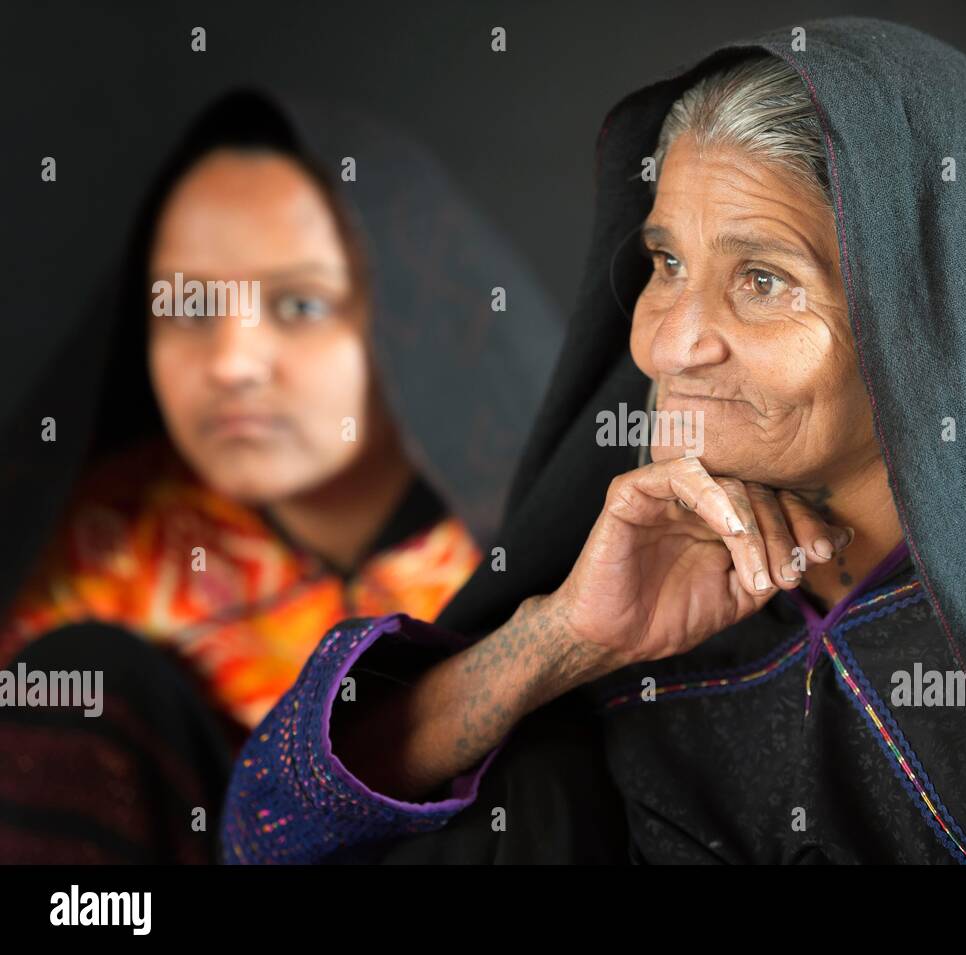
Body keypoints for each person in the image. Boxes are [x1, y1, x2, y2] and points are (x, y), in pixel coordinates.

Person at [222, 19, 966, 865]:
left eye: (763, 279)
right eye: (664, 262)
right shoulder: (635, 598)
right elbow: (260, 835)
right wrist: (559, 641)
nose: (675, 340)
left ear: (934, 320)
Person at [0, 89, 561, 862]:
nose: (231, 363)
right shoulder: (92, 557)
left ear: (414, 318)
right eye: (189, 307)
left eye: (299, 303)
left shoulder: (542, 551)